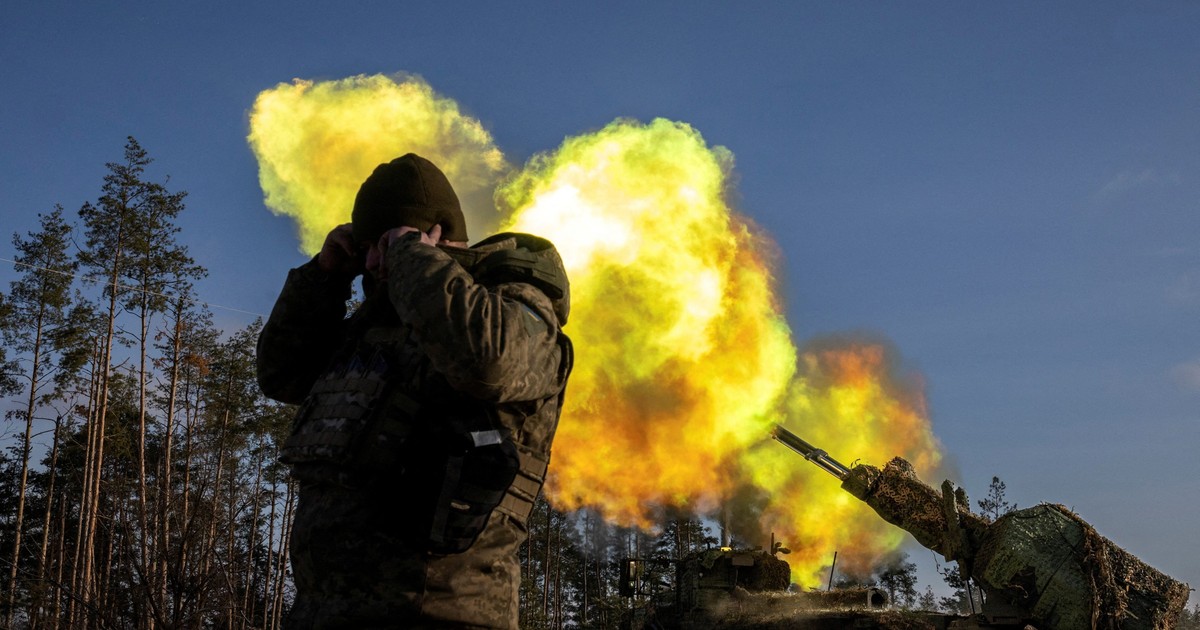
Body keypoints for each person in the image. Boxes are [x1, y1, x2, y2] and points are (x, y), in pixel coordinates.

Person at [257, 153, 573, 629]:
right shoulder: (380, 322)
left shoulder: (513, 302)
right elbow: (282, 375)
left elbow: (491, 362)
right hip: (325, 612)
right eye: (365, 247)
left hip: (443, 612)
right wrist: (323, 279)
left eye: (382, 243)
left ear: (436, 235)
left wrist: (411, 257)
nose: (372, 262)